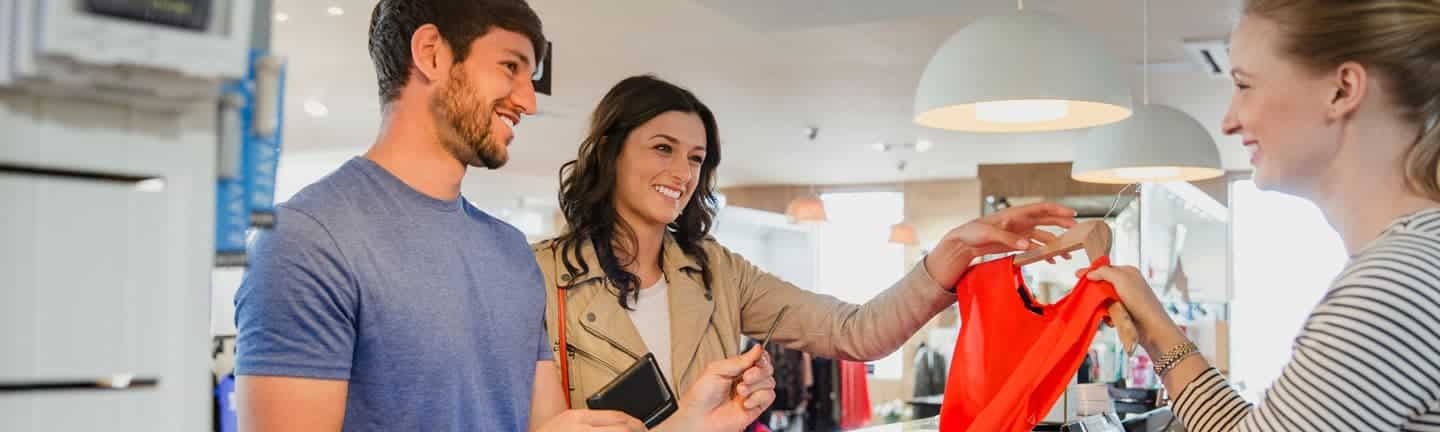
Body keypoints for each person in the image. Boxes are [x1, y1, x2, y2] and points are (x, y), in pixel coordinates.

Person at [233, 1, 773, 431]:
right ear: (432, 53)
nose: (529, 101)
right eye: (510, 67)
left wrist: (696, 423)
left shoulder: (508, 251)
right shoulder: (308, 240)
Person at [531, 74, 1083, 409]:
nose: (682, 171)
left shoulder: (718, 273)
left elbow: (854, 331)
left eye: (697, 158)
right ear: (610, 150)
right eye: (662, 148)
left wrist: (950, 253)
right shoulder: (538, 275)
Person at [1086, 1, 1440, 430]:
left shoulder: (1393, 286)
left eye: (1245, 86)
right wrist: (1156, 329)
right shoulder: (1417, 262)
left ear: (1343, 90)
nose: (1229, 121)